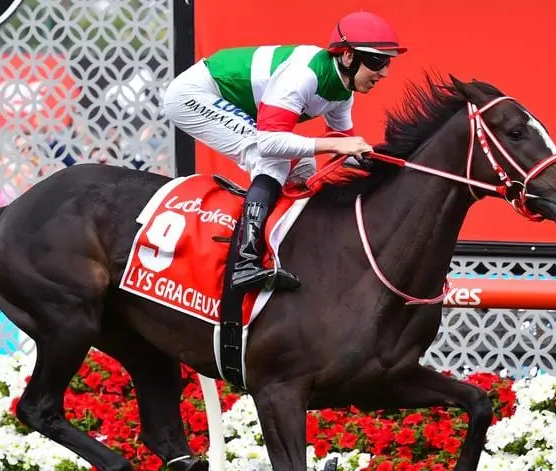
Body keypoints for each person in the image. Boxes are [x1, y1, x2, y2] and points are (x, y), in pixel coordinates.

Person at [162, 11, 407, 292]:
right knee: (272, 160)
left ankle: (287, 251)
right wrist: (337, 145)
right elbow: (269, 143)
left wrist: (386, 167)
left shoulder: (343, 92)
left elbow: (345, 148)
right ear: (348, 57)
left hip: (231, 101)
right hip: (193, 94)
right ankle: (245, 263)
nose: (384, 72)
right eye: (377, 60)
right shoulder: (303, 76)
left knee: (304, 168)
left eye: (387, 62)